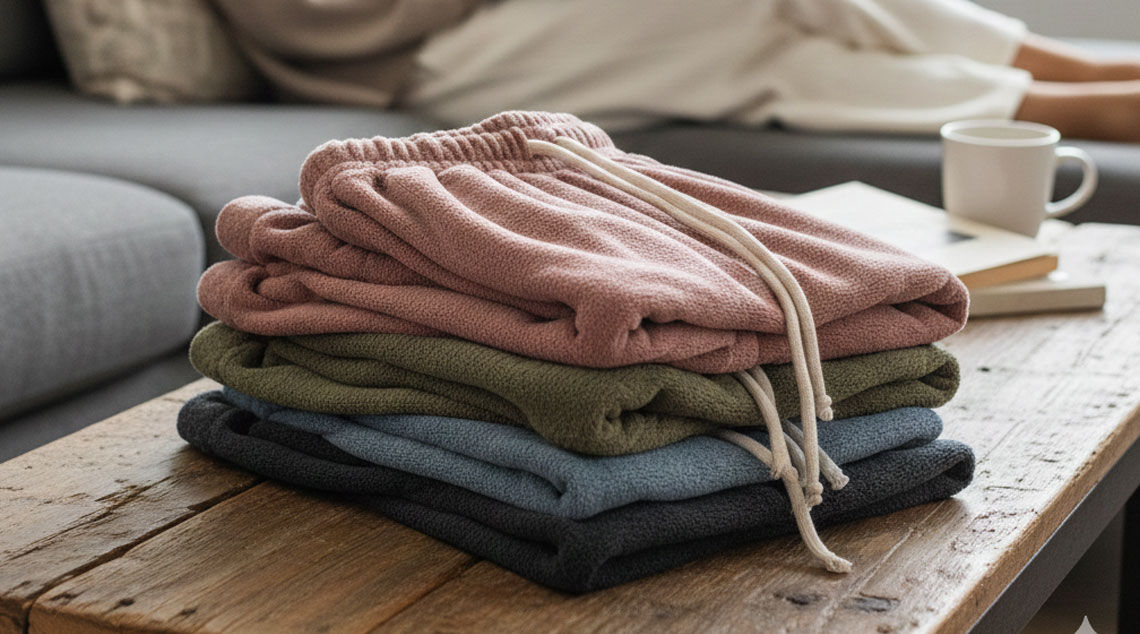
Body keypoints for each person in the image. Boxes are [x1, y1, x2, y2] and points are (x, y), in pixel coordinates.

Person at [212, 0, 1140, 141]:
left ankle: (1067, 74)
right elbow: (326, 23)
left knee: (761, 26)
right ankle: (1065, 99)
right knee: (744, 40)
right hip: (401, 63)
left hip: (482, 22)